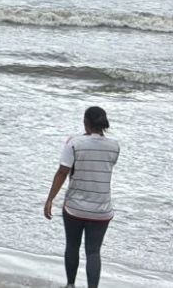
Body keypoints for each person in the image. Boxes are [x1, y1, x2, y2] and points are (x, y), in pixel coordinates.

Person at [44, 107, 119, 288]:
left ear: (86, 122)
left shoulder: (74, 143)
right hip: (101, 209)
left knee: (72, 246)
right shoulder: (114, 145)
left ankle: (70, 285)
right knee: (93, 252)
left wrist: (50, 199)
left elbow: (63, 172)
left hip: (75, 207)